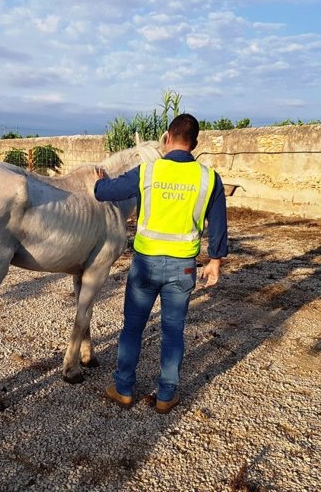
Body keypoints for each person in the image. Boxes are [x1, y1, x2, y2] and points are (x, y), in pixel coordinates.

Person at [94, 113, 228, 414]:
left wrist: (101, 183)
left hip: (145, 265)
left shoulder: (148, 171)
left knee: (133, 328)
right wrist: (215, 262)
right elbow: (219, 225)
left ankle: (124, 388)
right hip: (183, 267)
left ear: (167, 137)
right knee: (172, 330)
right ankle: (166, 395)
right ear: (195, 143)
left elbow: (104, 193)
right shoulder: (208, 178)